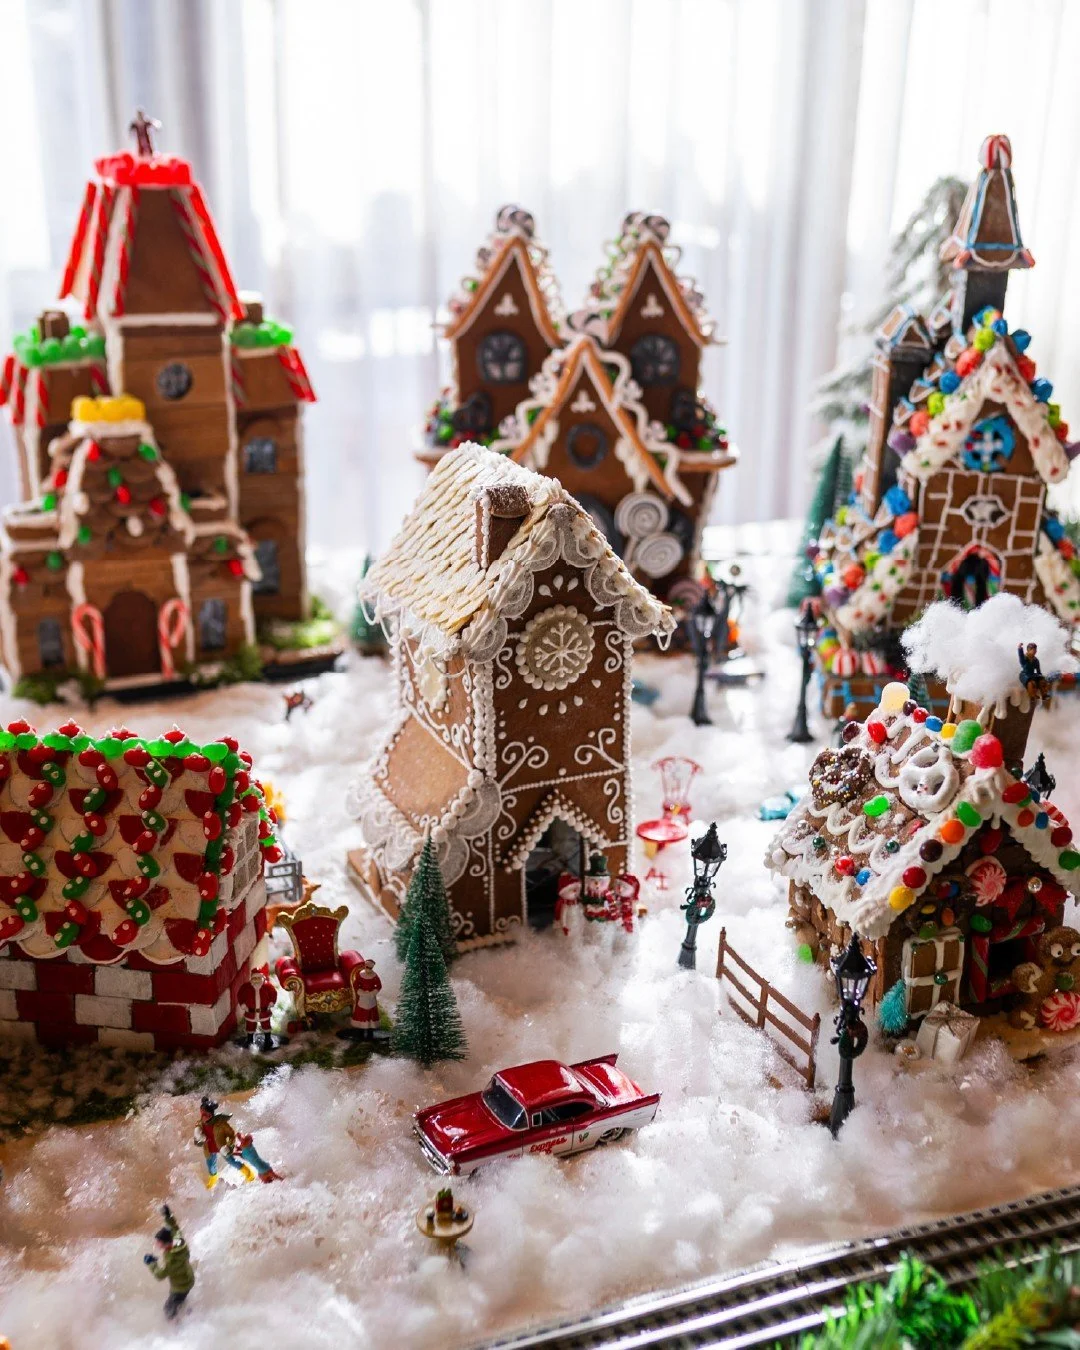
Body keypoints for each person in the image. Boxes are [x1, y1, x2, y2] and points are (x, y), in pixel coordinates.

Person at [193, 1097, 280, 1188]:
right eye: (202, 1113)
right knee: (211, 1166)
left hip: (222, 1146)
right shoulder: (199, 1124)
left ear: (211, 1114)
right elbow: (197, 1138)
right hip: (209, 1148)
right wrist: (198, 1136)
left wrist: (229, 1146)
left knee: (232, 1161)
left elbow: (231, 1135)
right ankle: (213, 1180)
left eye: (206, 1114)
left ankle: (248, 1173)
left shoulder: (221, 1123)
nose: (203, 1116)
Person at [144, 1204, 195, 1320]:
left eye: (159, 1242)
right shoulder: (179, 1241)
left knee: (168, 1309)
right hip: (189, 1277)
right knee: (181, 1300)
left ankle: (177, 1326)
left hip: (180, 1287)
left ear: (166, 1243)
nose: (156, 1244)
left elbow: (160, 1275)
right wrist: (168, 1215)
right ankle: (187, 1310)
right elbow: (175, 1228)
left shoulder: (171, 1260)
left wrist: (151, 1263)